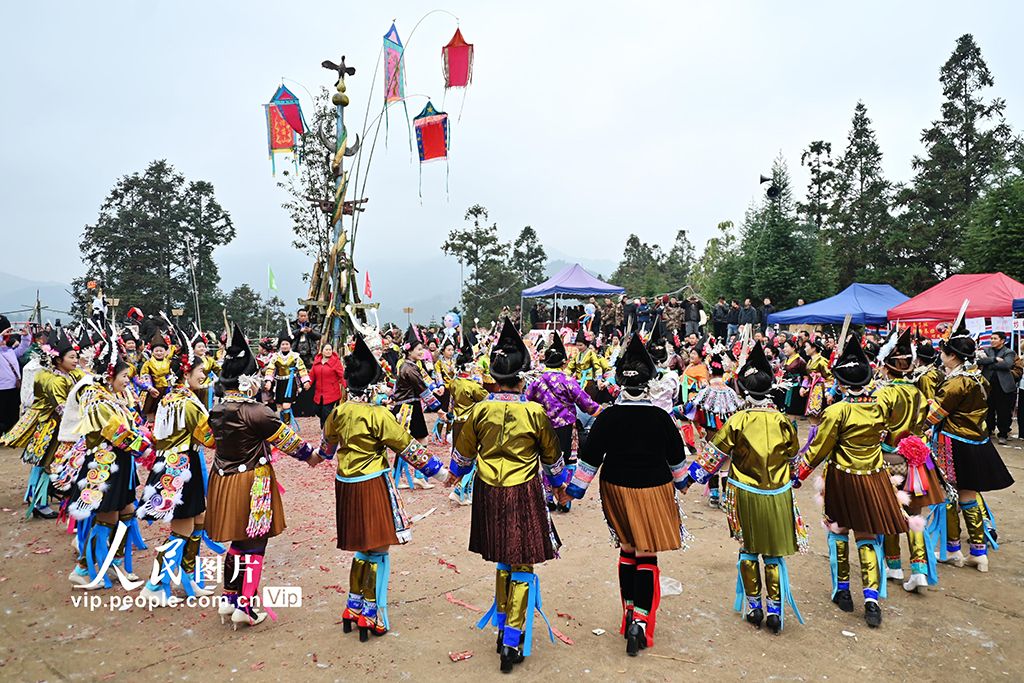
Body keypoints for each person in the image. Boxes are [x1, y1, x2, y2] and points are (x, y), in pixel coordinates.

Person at [447, 318, 567, 673]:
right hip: (523, 490)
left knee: (502, 557)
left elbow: (463, 454)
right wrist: (560, 487)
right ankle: (513, 638)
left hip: (488, 489)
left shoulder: (479, 409)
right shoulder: (534, 412)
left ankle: (503, 628)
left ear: (494, 378)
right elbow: (552, 458)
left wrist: (452, 475)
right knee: (523, 562)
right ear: (522, 378)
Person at [564, 333, 689, 656]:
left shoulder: (608, 417)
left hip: (616, 488)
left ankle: (629, 613)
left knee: (627, 549)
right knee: (647, 553)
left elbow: (590, 459)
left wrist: (574, 491)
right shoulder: (661, 418)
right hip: (654, 488)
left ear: (620, 382)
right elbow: (677, 460)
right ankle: (641, 623)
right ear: (649, 383)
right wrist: (683, 483)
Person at [318, 334, 449, 640]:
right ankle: (372, 614)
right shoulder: (379, 415)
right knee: (378, 549)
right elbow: (408, 447)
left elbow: (325, 450)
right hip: (372, 482)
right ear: (373, 386)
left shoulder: (338, 412)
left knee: (362, 548)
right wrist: (442, 474)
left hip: (345, 484)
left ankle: (353, 607)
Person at [681, 341, 806, 634]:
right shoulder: (783, 421)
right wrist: (793, 479)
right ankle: (774, 611)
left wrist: (687, 480)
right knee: (773, 553)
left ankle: (754, 607)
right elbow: (794, 458)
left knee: (749, 550)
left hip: (745, 494)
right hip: (777, 495)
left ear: (745, 391)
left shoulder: (738, 420)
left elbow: (713, 455)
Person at [205, 324, 320, 629]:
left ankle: (229, 598)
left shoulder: (216, 410)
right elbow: (289, 441)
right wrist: (313, 456)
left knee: (237, 541)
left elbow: (206, 440)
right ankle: (246, 606)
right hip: (252, 481)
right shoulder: (257, 412)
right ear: (248, 380)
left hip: (222, 479)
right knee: (255, 544)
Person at [795, 335, 908, 628]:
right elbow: (896, 429)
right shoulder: (881, 407)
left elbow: (818, 449)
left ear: (842, 383)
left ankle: (843, 591)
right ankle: (871, 600)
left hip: (843, 477)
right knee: (867, 535)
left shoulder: (836, 411)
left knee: (839, 530)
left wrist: (798, 475)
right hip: (875, 476)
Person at [65, 331, 153, 589]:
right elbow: (118, 433)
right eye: (124, 376)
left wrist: (147, 435)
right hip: (105, 466)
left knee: (126, 511)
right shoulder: (97, 400)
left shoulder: (115, 397)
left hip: (122, 464)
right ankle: (83, 567)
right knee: (107, 516)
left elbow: (133, 425)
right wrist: (147, 447)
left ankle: (114, 561)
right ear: (109, 375)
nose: (128, 380)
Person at [926, 319, 1014, 573]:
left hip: (953, 442)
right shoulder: (978, 378)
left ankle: (952, 550)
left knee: (950, 494)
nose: (941, 356)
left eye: (943, 353)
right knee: (969, 496)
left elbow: (934, 416)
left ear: (952, 356)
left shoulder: (955, 383)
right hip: (977, 442)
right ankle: (978, 552)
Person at [875, 328, 946, 593]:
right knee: (914, 514)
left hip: (889, 458)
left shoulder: (883, 394)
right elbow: (926, 422)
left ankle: (893, 566)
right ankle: (919, 570)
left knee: (890, 512)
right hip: (916, 460)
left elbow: (877, 427)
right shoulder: (917, 392)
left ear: (886, 366)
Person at [2, 328, 83, 519]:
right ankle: (40, 503)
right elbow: (61, 408)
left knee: (48, 463)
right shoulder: (55, 380)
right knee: (48, 463)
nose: (76, 360)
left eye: (76, 357)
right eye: (72, 357)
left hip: (58, 425)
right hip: (53, 427)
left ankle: (43, 497)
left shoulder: (68, 374)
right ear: (59, 360)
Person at [525, 330, 601, 513]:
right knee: (568, 461)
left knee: (546, 460)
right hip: (566, 427)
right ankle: (564, 500)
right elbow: (586, 403)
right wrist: (602, 412)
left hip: (543, 427)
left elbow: (527, 401)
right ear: (563, 362)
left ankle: (548, 497)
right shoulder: (568, 381)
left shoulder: (536, 381)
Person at [686, 352, 742, 508]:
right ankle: (725, 498)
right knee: (726, 466)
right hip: (728, 435)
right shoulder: (731, 392)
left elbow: (690, 408)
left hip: (710, 434)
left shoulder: (706, 392)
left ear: (709, 373)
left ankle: (714, 496)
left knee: (711, 463)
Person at [263, 329, 311, 428]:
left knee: (286, 405)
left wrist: (306, 381)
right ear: (280, 345)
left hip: (290, 383)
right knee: (280, 407)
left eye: (287, 344)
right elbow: (270, 369)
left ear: (290, 345)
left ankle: (287, 427)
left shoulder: (295, 357)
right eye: (283, 344)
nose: (285, 346)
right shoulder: (275, 357)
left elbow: (302, 369)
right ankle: (281, 424)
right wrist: (268, 381)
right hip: (279, 383)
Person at [976, 331, 1017, 445]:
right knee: (988, 410)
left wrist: (989, 364)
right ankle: (989, 431)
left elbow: (1007, 364)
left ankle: (1003, 434)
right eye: (991, 338)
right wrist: (994, 359)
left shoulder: (1009, 352)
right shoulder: (986, 350)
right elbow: (979, 361)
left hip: (1003, 386)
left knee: (1003, 411)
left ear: (1002, 341)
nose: (992, 340)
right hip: (988, 385)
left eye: (995, 338)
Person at [0, 322, 30, 433]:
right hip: (2, 389)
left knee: (13, 415)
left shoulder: (10, 351)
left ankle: (11, 434)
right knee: (2, 416)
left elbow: (23, 348)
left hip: (15, 388)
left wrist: (25, 336)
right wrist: (1, 335)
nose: (5, 340)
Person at [138, 333, 175, 422]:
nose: (159, 353)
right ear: (152, 352)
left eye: (161, 351)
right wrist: (150, 388)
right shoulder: (148, 363)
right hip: (153, 391)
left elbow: (171, 374)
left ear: (165, 351)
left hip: (166, 389)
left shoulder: (169, 362)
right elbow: (144, 376)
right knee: (151, 410)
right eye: (156, 351)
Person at [310, 342, 345, 429]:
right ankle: (331, 425)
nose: (328, 351)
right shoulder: (316, 362)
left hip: (332, 393)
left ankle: (325, 431)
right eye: (326, 349)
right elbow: (312, 375)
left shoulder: (336, 362)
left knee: (326, 414)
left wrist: (347, 386)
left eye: (330, 349)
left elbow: (342, 375)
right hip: (319, 393)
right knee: (317, 410)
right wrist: (307, 383)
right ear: (322, 351)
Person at [779, 340, 807, 416]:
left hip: (795, 389)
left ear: (793, 348)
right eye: (784, 347)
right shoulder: (786, 360)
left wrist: (803, 387)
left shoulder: (800, 361)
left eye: (786, 347)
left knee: (793, 413)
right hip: (785, 387)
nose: (784, 349)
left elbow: (806, 376)